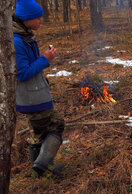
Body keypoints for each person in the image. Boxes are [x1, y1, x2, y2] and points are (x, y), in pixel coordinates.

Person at [13, 0, 64, 177]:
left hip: (33, 94)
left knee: (37, 132)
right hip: (32, 97)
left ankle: (40, 171)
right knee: (56, 124)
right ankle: (43, 167)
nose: (41, 20)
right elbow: (22, 74)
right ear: (26, 19)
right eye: (37, 17)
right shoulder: (17, 41)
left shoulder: (24, 36)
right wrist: (45, 59)